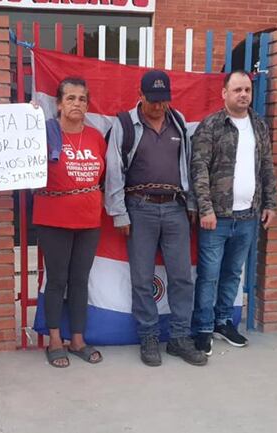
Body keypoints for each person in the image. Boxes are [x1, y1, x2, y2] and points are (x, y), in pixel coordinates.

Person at [105, 70, 207, 367]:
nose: (158, 106)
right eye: (153, 101)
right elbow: (114, 171)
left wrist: (190, 202)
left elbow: (186, 164)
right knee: (141, 278)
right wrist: (119, 212)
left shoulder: (177, 121)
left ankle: (179, 338)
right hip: (140, 209)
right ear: (141, 95)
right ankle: (148, 336)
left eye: (163, 100)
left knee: (181, 278)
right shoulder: (125, 124)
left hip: (175, 209)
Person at [190, 71, 277, 355]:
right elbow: (199, 169)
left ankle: (223, 322)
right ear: (224, 93)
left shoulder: (259, 126)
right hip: (216, 218)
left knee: (232, 274)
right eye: (237, 89)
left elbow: (267, 166)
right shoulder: (211, 125)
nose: (243, 95)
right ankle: (202, 327)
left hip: (248, 217)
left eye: (247, 90)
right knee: (209, 275)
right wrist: (206, 208)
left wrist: (270, 204)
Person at [33, 77, 106, 368]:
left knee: (80, 281)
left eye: (82, 99)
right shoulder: (43, 134)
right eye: (71, 98)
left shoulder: (96, 137)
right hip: (53, 219)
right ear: (59, 103)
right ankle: (54, 340)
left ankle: (77, 340)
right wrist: (27, 120)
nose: (77, 104)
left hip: (89, 220)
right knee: (57, 279)